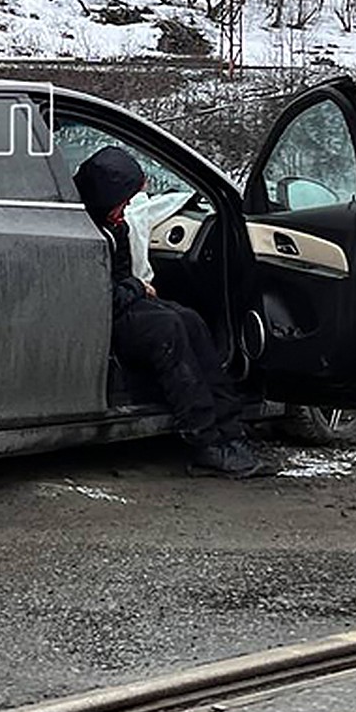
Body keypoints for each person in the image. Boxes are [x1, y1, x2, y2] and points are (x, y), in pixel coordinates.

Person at [73, 146, 274, 479]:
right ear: (106, 198)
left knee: (191, 320)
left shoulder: (115, 223)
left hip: (124, 301)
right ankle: (205, 441)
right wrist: (137, 288)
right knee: (167, 330)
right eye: (125, 200)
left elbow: (120, 278)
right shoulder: (85, 232)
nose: (128, 208)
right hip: (103, 315)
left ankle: (231, 431)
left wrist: (135, 288)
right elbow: (97, 297)